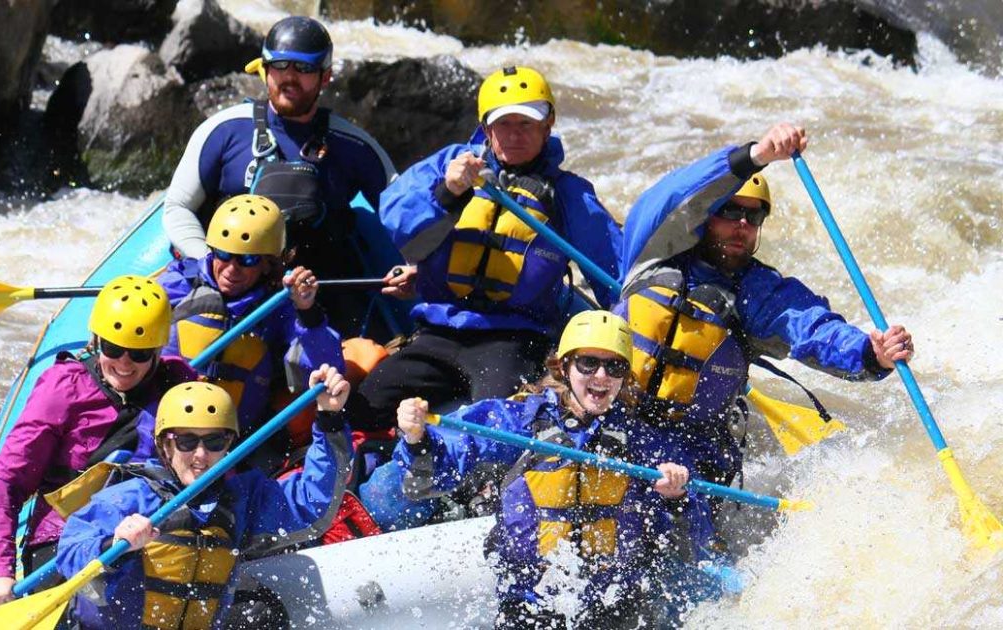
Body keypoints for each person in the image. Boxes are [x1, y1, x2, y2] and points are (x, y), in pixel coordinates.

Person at [616, 122, 915, 491]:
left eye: (753, 217)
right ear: (706, 215)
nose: (742, 225)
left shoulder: (757, 293)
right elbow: (671, 195)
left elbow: (811, 327)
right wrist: (755, 157)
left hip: (693, 451)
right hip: (613, 419)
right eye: (730, 211)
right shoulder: (653, 255)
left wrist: (871, 353)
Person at [347, 65, 624, 434]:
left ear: (548, 125)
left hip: (513, 339)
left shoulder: (568, 194)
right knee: (363, 407)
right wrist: (447, 192)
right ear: (486, 127)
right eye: (504, 124)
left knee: (501, 427)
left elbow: (615, 274)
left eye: (526, 124)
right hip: (438, 332)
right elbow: (396, 221)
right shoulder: (450, 165)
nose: (514, 135)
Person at [393, 311, 708, 628]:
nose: (601, 376)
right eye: (588, 363)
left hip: (616, 605)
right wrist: (417, 437)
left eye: (615, 366)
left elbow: (690, 526)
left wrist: (675, 495)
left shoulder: (640, 439)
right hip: (530, 604)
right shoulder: (520, 420)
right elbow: (441, 467)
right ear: (564, 366)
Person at [55, 366, 354, 629]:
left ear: (229, 445)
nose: (201, 455)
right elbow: (69, 553)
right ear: (165, 445)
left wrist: (328, 419)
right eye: (187, 440)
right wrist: (114, 546)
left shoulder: (242, 499)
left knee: (263, 612)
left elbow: (310, 502)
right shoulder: (127, 498)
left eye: (214, 441)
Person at [161, 15, 398, 338]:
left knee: (365, 359)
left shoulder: (353, 146)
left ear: (325, 76)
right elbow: (177, 206)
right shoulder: (224, 130)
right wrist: (213, 263)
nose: (289, 78)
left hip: (314, 298)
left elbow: (405, 213)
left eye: (303, 69)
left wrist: (413, 268)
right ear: (265, 69)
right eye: (281, 66)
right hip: (228, 292)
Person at [0, 275, 197, 609]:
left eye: (138, 354)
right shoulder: (63, 387)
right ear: (96, 341)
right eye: (113, 348)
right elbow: (7, 483)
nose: (124, 363)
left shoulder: (178, 382)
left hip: (154, 528)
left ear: (156, 350)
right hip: (69, 539)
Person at [158, 194, 344, 461]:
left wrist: (308, 311)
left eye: (247, 260)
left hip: (234, 439)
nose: (231, 269)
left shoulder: (278, 307)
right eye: (224, 254)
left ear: (268, 263)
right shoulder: (180, 281)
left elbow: (328, 367)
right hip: (167, 422)